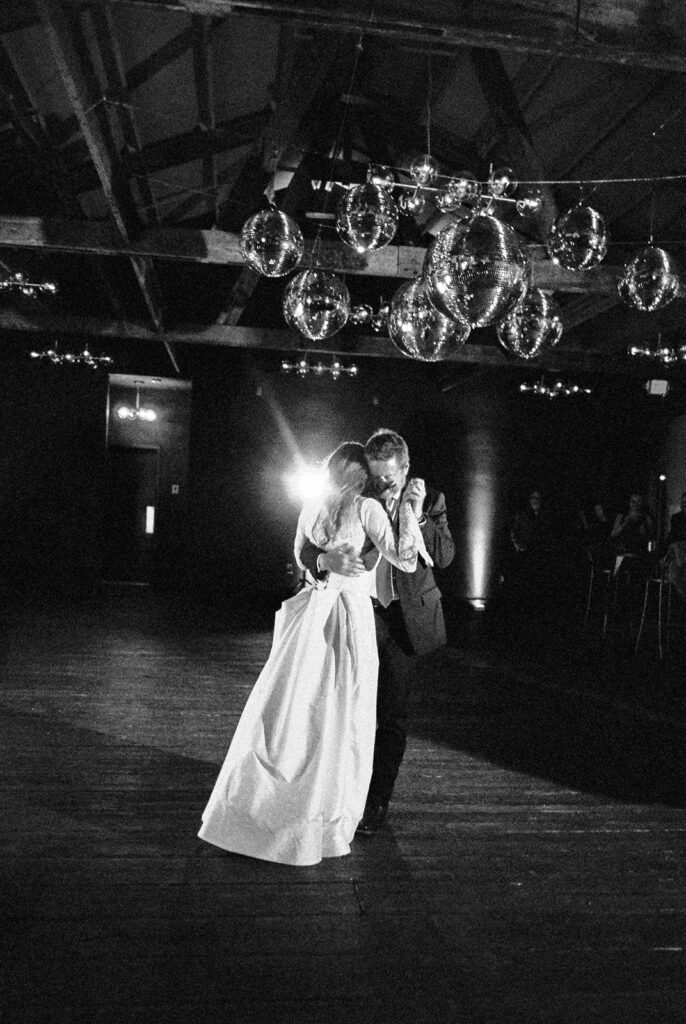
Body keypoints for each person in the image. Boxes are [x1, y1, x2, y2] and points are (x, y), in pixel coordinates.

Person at [198, 442, 426, 866]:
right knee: (345, 720)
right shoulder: (367, 509)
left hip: (313, 615)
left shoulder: (313, 505)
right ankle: (326, 815)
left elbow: (298, 556)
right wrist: (411, 511)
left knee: (297, 713)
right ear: (365, 477)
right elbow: (407, 559)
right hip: (350, 621)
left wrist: (321, 559)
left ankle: (273, 805)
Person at [298, 429, 455, 835]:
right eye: (376, 476)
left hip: (404, 620)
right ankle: (337, 791)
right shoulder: (357, 499)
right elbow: (312, 543)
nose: (382, 484)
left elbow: (443, 556)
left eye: (390, 477)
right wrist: (326, 557)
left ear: (405, 469)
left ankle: (376, 801)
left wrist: (416, 515)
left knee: (391, 714)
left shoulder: (431, 499)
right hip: (361, 611)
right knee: (347, 707)